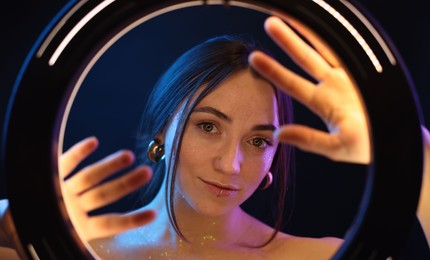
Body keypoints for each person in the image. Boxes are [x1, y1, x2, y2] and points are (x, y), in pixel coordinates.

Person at [1, 16, 429, 259]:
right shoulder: (67, 250)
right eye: (208, 126)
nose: (232, 164)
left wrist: (410, 144)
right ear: (161, 130)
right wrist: (9, 216)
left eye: (259, 141)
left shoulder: (318, 257)